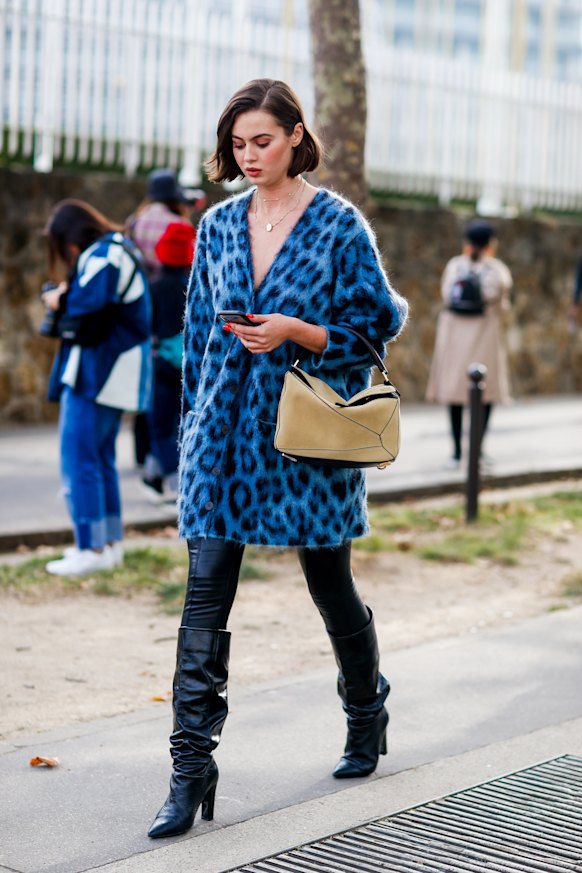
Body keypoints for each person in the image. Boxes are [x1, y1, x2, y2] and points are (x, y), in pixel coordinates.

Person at [147, 78, 408, 840]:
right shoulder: (218, 225)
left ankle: (366, 707)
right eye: (238, 145)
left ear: (296, 135)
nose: (249, 156)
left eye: (262, 140)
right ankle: (189, 769)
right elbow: (200, 334)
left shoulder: (338, 225)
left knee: (330, 585)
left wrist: (296, 330)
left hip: (305, 438)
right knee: (203, 600)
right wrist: (191, 429)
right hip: (222, 441)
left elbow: (373, 329)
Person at [41, 200, 152, 576]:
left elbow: (86, 302)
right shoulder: (118, 249)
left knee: (80, 460)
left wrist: (59, 297)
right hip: (111, 371)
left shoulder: (104, 254)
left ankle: (91, 548)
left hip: (98, 372)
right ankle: (108, 546)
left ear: (69, 237)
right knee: (100, 460)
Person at [426, 220, 513, 467]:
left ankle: (456, 453)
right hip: (484, 337)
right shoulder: (497, 270)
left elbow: (446, 295)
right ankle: (477, 451)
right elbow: (502, 303)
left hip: (454, 337)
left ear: (467, 243)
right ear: (491, 244)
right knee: (485, 394)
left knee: (454, 393)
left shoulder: (455, 266)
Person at [126, 168, 192, 471]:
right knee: (175, 402)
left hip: (144, 302)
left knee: (148, 395)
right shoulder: (178, 224)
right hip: (176, 312)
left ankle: (145, 454)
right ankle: (168, 460)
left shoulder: (134, 222)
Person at [141, 222, 195, 503]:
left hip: (162, 363)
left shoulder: (155, 287)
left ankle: (177, 486)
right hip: (190, 363)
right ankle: (152, 473)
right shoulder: (194, 285)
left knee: (160, 425)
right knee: (180, 422)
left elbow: (145, 324)